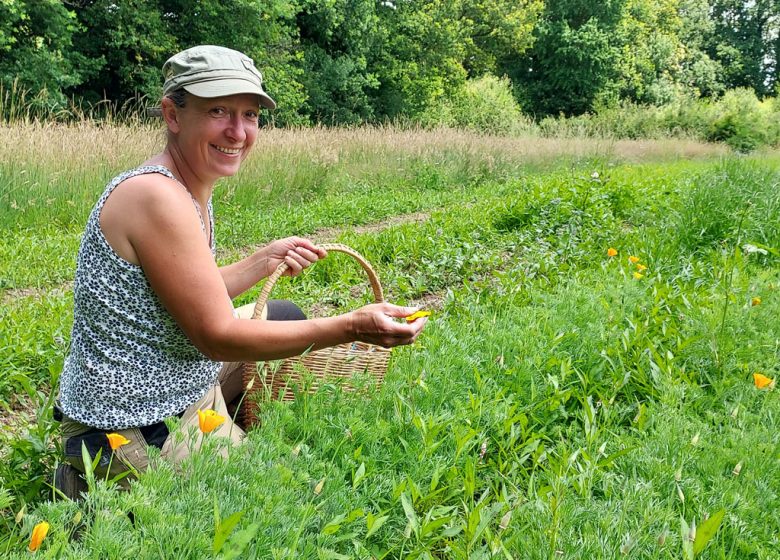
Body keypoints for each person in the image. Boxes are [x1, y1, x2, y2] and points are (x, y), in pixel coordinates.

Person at [54, 45, 428, 499]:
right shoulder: (156, 196)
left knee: (282, 313)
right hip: (132, 421)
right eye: (218, 111)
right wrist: (350, 327)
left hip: (180, 381)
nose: (238, 131)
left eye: (249, 114)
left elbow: (189, 292)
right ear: (173, 114)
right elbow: (216, 334)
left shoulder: (190, 185)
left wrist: (261, 262)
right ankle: (95, 481)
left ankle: (220, 427)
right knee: (276, 499)